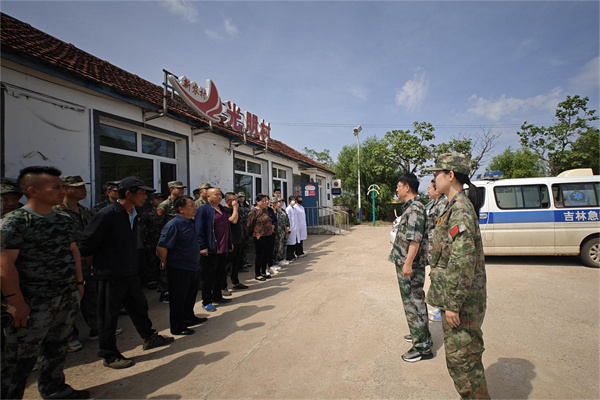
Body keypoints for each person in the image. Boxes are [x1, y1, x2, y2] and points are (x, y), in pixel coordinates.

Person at [1, 166, 89, 399]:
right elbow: (4, 265)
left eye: (62, 187)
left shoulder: (63, 219)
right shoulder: (15, 222)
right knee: (19, 359)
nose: (62, 191)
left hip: (65, 295)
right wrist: (16, 302)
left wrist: (79, 284)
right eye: (56, 187)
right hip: (32, 302)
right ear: (33, 191)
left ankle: (54, 389)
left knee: (57, 348)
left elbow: (73, 251)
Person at [79, 176, 174, 369]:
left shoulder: (134, 213)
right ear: (128, 193)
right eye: (142, 193)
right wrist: (99, 263)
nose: (145, 197)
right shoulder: (107, 214)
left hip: (129, 271)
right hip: (110, 273)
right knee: (108, 315)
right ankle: (109, 354)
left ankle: (149, 337)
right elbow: (86, 245)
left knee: (139, 306)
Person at [428, 153, 490, 399]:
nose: (434, 179)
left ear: (450, 175)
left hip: (462, 303)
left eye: (437, 174)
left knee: (463, 361)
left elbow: (462, 260)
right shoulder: (453, 206)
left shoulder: (461, 210)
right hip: (457, 299)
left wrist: (453, 304)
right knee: (462, 359)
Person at [388, 173, 433, 363]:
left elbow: (415, 238)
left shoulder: (415, 208)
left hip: (411, 265)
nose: (397, 189)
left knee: (414, 302)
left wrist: (407, 264)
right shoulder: (412, 207)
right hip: (407, 263)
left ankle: (422, 347)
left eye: (399, 186)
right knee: (412, 301)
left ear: (407, 187)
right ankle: (419, 333)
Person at [53, 176, 95, 352]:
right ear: (65, 189)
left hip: (87, 261)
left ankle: (95, 327)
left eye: (83, 186)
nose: (83, 190)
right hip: (67, 264)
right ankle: (70, 336)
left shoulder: (85, 211)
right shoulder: (56, 212)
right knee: (68, 302)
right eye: (77, 187)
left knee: (91, 296)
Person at [156, 196, 207, 336]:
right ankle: (177, 326)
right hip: (179, 268)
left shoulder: (190, 222)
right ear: (181, 209)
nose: (195, 208)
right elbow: (161, 247)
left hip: (193, 266)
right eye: (191, 206)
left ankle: (189, 317)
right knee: (178, 298)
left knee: (190, 295)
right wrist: (164, 262)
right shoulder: (173, 225)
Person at [195, 187, 233, 312]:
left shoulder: (222, 209)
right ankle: (206, 301)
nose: (219, 196)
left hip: (222, 247)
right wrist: (202, 246)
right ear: (208, 197)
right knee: (208, 276)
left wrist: (229, 243)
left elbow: (227, 227)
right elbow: (199, 230)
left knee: (220, 274)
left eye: (220, 194)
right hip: (211, 248)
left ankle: (217, 296)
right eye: (216, 194)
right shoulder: (203, 210)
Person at [156, 181, 187, 303]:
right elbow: (158, 224)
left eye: (182, 189)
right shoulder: (164, 205)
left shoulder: (183, 203)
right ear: (171, 190)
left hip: (180, 240)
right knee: (166, 265)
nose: (182, 191)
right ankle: (165, 291)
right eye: (179, 189)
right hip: (169, 240)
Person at [424, 179, 448, 323]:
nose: (428, 191)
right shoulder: (435, 203)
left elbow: (441, 228)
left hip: (439, 247)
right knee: (435, 277)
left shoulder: (442, 204)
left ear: (437, 190)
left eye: (430, 188)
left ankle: (443, 308)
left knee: (440, 278)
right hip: (433, 246)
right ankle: (439, 307)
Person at [139, 192, 165, 290]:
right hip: (152, 241)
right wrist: (145, 242)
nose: (160, 201)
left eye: (161, 199)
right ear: (151, 201)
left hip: (162, 241)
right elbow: (143, 228)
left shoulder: (164, 211)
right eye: (157, 199)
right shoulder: (146, 213)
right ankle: (152, 281)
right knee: (152, 262)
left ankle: (162, 282)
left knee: (163, 262)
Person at [223, 192, 248, 291]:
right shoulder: (224, 210)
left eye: (236, 199)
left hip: (238, 239)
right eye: (233, 200)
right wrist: (235, 208)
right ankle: (223, 286)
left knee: (236, 263)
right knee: (226, 265)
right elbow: (233, 220)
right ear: (227, 201)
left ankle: (236, 282)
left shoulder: (236, 209)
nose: (236, 201)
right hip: (230, 240)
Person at [247, 194, 275, 281]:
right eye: (262, 201)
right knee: (260, 255)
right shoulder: (254, 212)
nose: (265, 202)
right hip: (259, 236)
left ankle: (263, 271)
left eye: (266, 201)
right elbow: (249, 225)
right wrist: (255, 233)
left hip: (268, 235)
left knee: (266, 254)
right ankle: (257, 274)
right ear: (257, 202)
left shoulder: (265, 210)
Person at [271, 197, 289, 270]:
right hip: (276, 232)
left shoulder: (282, 211)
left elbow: (287, 220)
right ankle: (275, 262)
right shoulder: (273, 211)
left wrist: (288, 227)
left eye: (282, 202)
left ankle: (281, 259)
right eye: (279, 202)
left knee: (282, 246)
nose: (280, 203)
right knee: (276, 247)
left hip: (283, 231)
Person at [285, 196, 299, 261]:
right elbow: (288, 219)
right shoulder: (288, 209)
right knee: (290, 243)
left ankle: (293, 254)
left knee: (294, 242)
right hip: (291, 228)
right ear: (289, 201)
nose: (294, 201)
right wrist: (289, 228)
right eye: (292, 200)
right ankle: (289, 256)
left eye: (294, 200)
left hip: (295, 228)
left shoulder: (294, 209)